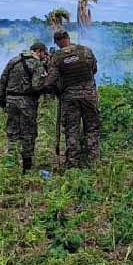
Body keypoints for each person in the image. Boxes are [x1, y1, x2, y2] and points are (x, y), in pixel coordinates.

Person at [44, 29, 101, 167]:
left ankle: (72, 162)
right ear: (68, 37)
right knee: (92, 127)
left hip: (70, 97)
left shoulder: (57, 57)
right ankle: (93, 160)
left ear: (57, 42)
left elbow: (50, 80)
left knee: (71, 129)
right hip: (89, 95)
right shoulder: (86, 51)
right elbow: (94, 69)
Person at [0, 42, 49, 172]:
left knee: (12, 131)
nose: (45, 55)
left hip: (11, 101)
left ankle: (11, 162)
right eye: (44, 52)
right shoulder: (37, 64)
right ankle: (27, 166)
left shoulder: (14, 60)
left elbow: (3, 80)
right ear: (39, 51)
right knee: (28, 132)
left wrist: (2, 100)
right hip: (27, 103)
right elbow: (36, 86)